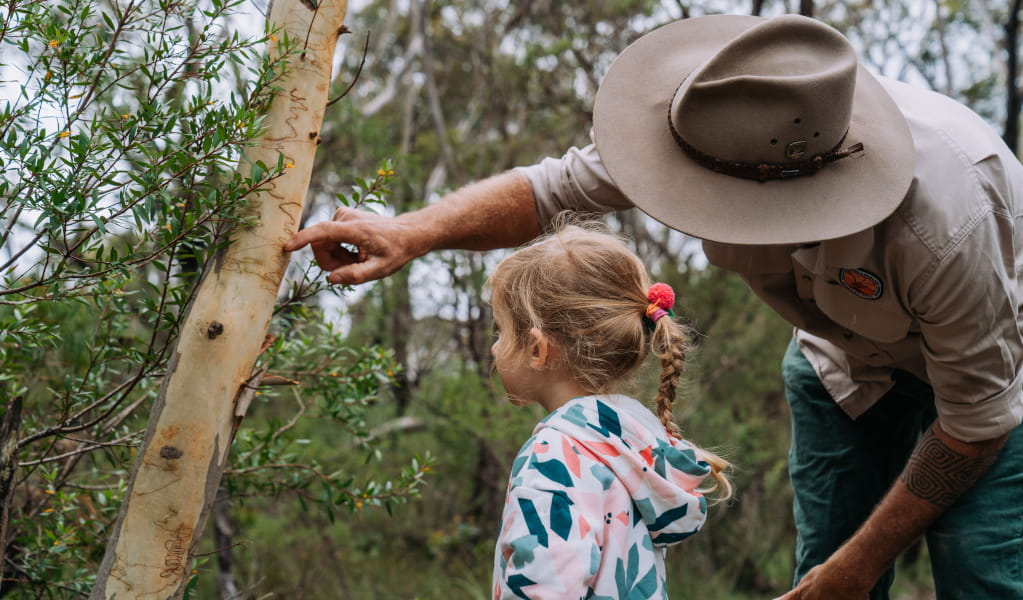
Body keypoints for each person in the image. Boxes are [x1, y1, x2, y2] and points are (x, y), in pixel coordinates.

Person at [285, 13, 1023, 600]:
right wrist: (410, 232)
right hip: (839, 365)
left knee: (980, 572)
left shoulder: (945, 221)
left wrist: (856, 570)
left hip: (989, 385)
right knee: (820, 567)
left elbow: (974, 423)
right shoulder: (718, 125)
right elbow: (550, 190)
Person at [485, 223, 730, 599]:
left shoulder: (554, 456)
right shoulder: (631, 447)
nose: (493, 348)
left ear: (537, 349)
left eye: (500, 331)